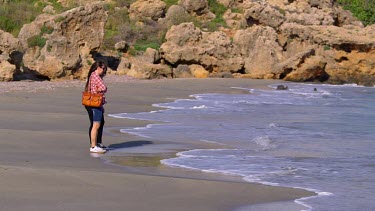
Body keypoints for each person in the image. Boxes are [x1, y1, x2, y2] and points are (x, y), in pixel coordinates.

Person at [84, 61, 108, 154]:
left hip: (94, 103)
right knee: (96, 124)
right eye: (103, 68)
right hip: (95, 103)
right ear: (98, 67)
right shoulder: (95, 76)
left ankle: (97, 143)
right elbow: (104, 88)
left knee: (100, 123)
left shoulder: (92, 75)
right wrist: (102, 89)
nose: (104, 70)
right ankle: (93, 146)